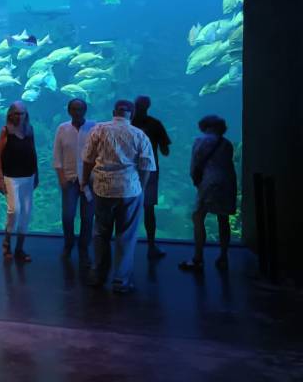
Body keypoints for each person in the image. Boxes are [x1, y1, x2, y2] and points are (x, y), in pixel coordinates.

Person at [81, 100, 156, 294]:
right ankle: (121, 281)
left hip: (103, 189)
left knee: (100, 233)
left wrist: (84, 181)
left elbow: (88, 159)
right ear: (131, 114)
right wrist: (141, 186)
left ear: (114, 111)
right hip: (130, 190)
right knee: (126, 235)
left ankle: (98, 275)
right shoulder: (139, 134)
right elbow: (147, 166)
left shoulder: (99, 130)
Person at [179, 115, 237, 272]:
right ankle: (223, 256)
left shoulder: (200, 141)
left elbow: (195, 165)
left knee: (198, 217)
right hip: (227, 182)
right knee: (223, 219)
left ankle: (198, 258)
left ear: (204, 126)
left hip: (208, 183)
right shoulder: (227, 143)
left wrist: (196, 181)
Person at [53, 99, 96, 267]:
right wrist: (61, 178)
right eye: (74, 109)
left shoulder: (95, 127)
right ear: (69, 110)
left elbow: (99, 153)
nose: (77, 112)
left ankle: (84, 248)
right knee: (68, 216)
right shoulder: (62, 129)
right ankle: (68, 244)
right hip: (70, 180)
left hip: (90, 181)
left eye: (80, 109)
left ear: (85, 110)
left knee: (87, 217)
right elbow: (57, 156)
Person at [0, 101, 38, 262]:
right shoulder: (5, 131)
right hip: (11, 177)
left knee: (26, 212)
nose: (20, 116)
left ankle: (20, 248)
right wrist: (0, 178)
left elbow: (33, 151)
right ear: (10, 114)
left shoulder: (30, 130)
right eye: (17, 113)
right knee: (14, 210)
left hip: (29, 176)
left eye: (23, 113)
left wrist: (37, 174)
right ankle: (7, 242)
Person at [132, 96, 172, 259]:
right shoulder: (155, 124)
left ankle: (127, 244)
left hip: (129, 170)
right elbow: (165, 151)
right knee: (149, 208)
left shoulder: (128, 124)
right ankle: (151, 245)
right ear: (148, 106)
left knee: (126, 207)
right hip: (150, 170)